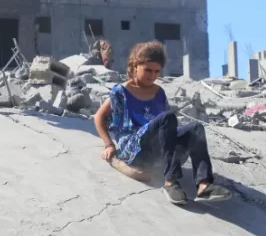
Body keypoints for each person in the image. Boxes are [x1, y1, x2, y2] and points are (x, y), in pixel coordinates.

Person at [94, 41, 232, 205]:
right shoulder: (121, 91)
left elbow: (167, 130)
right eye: (148, 70)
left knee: (195, 128)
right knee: (168, 117)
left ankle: (204, 185)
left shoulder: (159, 92)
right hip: (134, 150)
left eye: (156, 71)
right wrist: (109, 144)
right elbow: (99, 117)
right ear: (136, 65)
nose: (152, 76)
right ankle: (170, 182)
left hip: (159, 152)